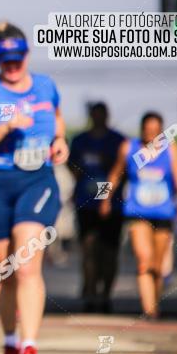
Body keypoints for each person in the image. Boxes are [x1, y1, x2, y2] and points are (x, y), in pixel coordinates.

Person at [0, 20, 68, 354]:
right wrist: (7, 125)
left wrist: (60, 142)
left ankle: (30, 348)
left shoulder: (45, 86)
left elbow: (57, 120)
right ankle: (10, 343)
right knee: (5, 273)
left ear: (26, 55)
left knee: (26, 265)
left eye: (17, 58)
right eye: (5, 60)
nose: (12, 66)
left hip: (36, 181)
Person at [101, 112, 177, 319]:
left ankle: (155, 302)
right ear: (141, 129)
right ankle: (150, 310)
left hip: (163, 213)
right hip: (137, 213)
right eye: (147, 130)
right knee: (144, 261)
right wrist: (104, 199)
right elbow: (114, 175)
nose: (150, 134)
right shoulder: (128, 148)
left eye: (154, 131)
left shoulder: (170, 149)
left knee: (157, 267)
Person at [67, 102, 125, 313]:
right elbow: (71, 164)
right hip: (86, 203)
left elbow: (125, 169)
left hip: (113, 206)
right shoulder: (80, 141)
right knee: (89, 250)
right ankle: (90, 293)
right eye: (95, 115)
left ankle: (105, 294)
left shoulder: (118, 141)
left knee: (109, 253)